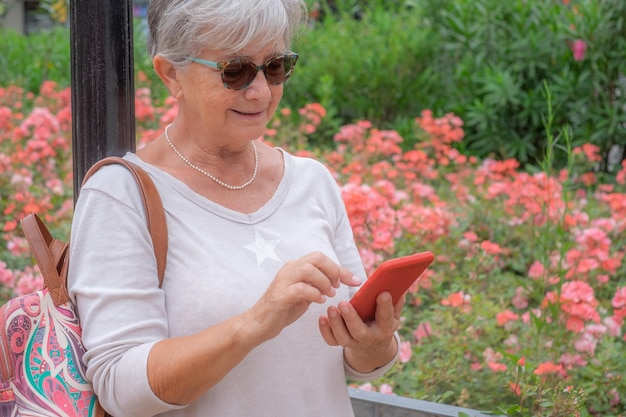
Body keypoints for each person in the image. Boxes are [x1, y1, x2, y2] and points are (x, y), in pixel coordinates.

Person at [68, 1, 402, 416]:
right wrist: (255, 322)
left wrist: (374, 342)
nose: (260, 90)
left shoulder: (311, 181)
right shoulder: (122, 195)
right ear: (171, 74)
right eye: (235, 71)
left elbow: (357, 363)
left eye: (276, 66)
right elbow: (121, 386)